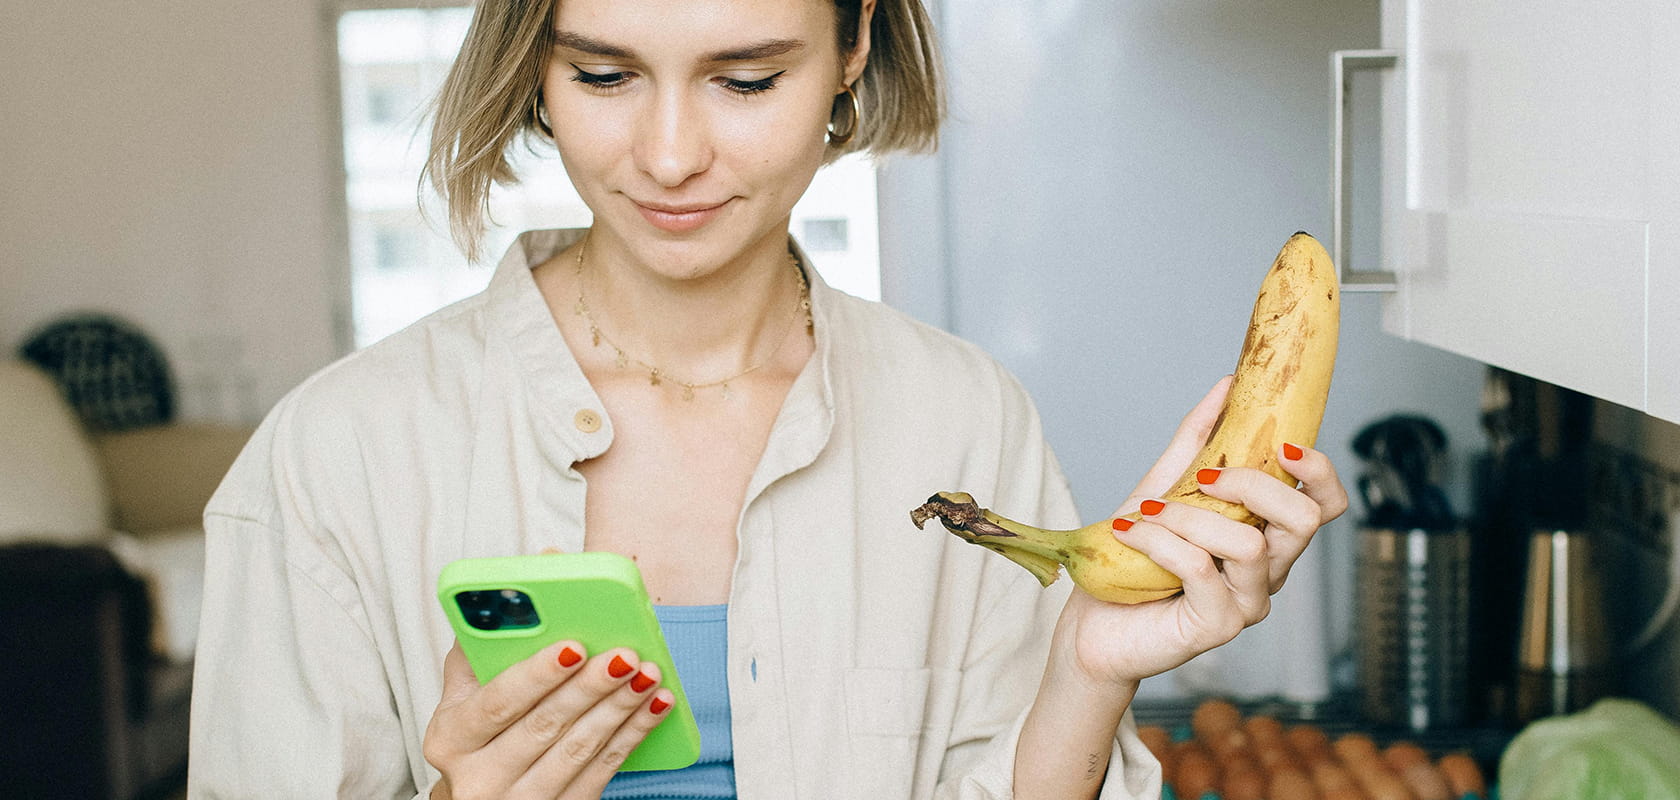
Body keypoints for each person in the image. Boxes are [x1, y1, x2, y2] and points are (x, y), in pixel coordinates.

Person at [187, 0, 1348, 797]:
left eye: (747, 78)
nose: (672, 152)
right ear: (533, 60)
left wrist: (1089, 667)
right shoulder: (335, 455)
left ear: (853, 48)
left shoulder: (963, 417)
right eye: (602, 74)